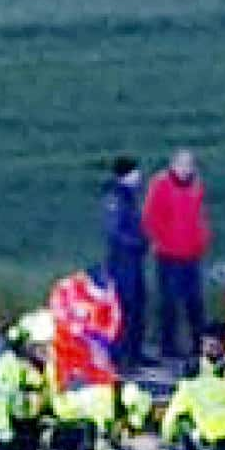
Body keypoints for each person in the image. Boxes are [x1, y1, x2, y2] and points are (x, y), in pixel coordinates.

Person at [146, 150, 212, 369]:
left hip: (192, 254)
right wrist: (162, 242)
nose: (185, 169)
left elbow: (200, 216)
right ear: (173, 165)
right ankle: (168, 347)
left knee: (195, 302)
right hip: (169, 254)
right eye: (182, 164)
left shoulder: (196, 186)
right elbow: (152, 217)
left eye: (189, 165)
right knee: (170, 302)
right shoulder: (161, 185)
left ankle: (198, 346)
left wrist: (202, 239)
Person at [0, 312, 56, 450]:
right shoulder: (10, 364)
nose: (48, 350)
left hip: (35, 422)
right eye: (42, 346)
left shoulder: (49, 366)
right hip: (12, 425)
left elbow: (55, 396)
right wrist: (5, 434)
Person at [100, 157, 151, 371]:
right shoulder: (115, 197)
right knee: (124, 307)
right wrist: (137, 242)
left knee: (138, 305)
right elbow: (115, 231)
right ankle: (121, 355)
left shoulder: (130, 196)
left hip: (134, 260)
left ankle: (135, 351)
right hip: (122, 261)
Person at [47, 264, 124, 394]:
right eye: (99, 289)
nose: (102, 295)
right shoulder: (67, 289)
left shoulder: (109, 295)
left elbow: (114, 320)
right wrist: (80, 331)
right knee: (58, 379)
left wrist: (103, 341)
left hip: (95, 345)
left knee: (107, 382)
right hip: (66, 344)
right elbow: (59, 314)